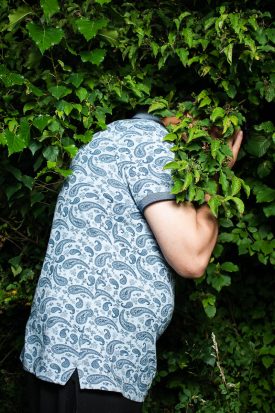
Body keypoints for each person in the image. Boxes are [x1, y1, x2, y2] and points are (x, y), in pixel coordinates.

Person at [20, 112, 243, 413]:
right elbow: (192, 258)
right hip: (94, 361)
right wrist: (220, 173)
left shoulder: (113, 136)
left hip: (67, 360)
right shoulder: (151, 145)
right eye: (219, 135)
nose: (215, 145)